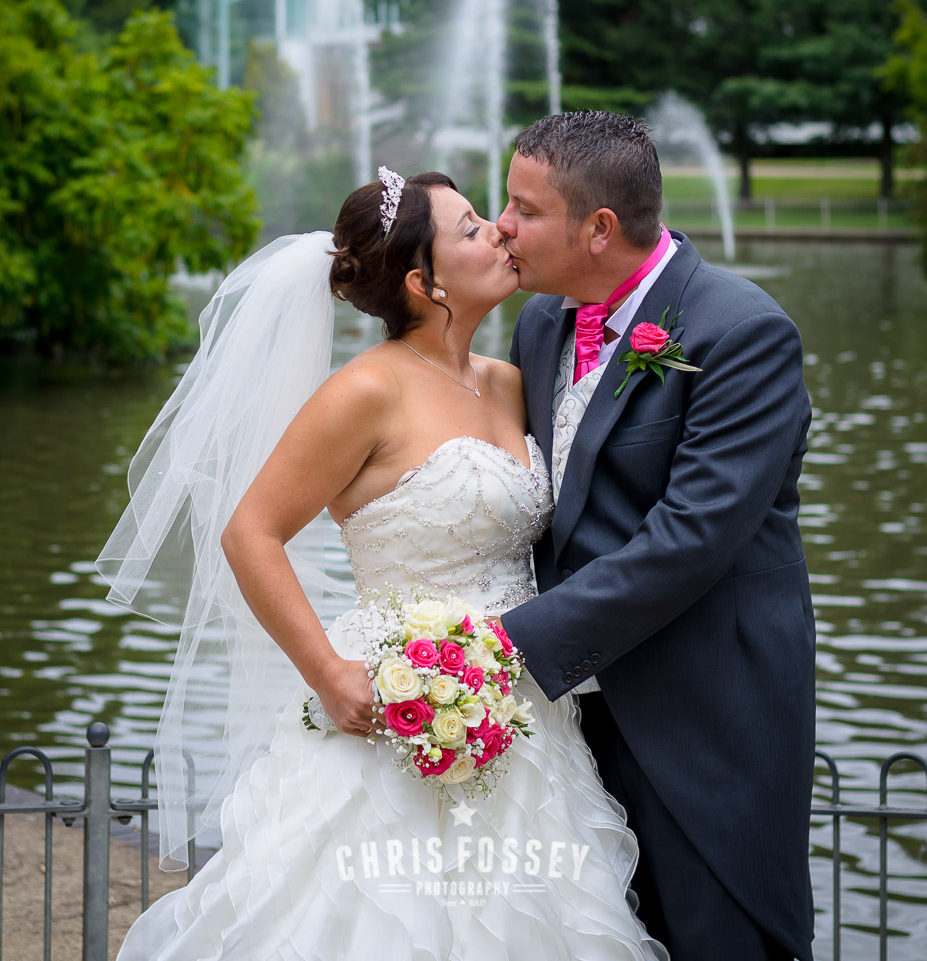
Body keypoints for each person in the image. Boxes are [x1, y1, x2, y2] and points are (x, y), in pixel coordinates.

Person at [101, 169, 668, 961]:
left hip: (521, 705)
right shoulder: (364, 390)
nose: (500, 231)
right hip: (392, 703)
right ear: (422, 281)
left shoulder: (508, 383)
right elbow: (249, 533)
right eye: (471, 228)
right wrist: (327, 672)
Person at [496, 112, 817, 961]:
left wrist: (500, 645)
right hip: (568, 724)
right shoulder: (540, 325)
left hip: (706, 718)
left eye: (523, 209)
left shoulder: (741, 333)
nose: (502, 227)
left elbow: (691, 538)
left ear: (598, 228)